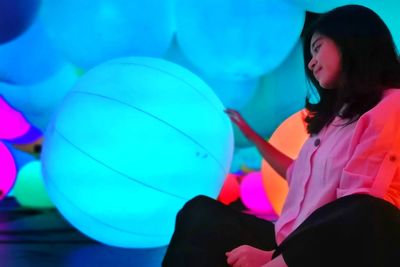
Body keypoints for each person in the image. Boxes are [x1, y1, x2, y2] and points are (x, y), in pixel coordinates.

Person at [162, 5, 400, 267]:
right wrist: (252, 135)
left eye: (318, 47)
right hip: (286, 238)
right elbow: (296, 174)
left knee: (365, 210)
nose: (310, 62)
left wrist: (277, 258)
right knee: (200, 214)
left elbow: (357, 208)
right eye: (310, 52)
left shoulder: (391, 105)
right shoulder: (333, 121)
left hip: (330, 246)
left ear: (352, 40)